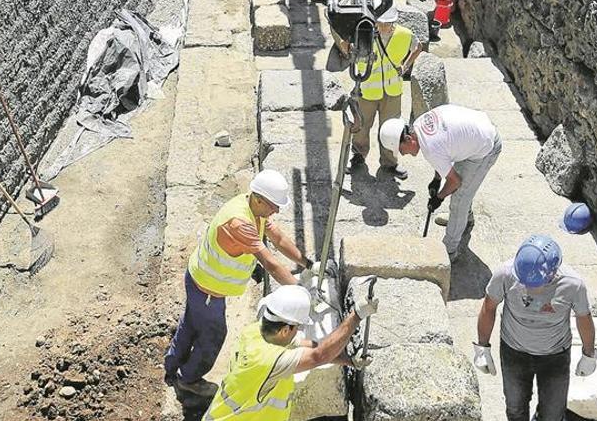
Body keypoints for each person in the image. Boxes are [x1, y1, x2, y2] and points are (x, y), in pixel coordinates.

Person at [164, 169, 315, 400]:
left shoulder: (254, 209)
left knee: (191, 324)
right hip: (208, 290)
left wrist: (307, 263)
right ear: (259, 199)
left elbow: (280, 239)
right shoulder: (240, 223)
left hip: (200, 281)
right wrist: (301, 294)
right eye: (274, 205)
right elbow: (271, 264)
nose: (276, 210)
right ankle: (188, 380)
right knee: (213, 335)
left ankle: (171, 364)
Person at [203, 284, 378, 420]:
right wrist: (356, 315)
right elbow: (319, 356)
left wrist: (349, 361)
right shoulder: (269, 360)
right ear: (285, 330)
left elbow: (313, 348)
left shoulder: (256, 332)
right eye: (298, 327)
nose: (299, 331)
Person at [473, 235, 597, 421]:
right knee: (515, 409)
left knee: (553, 415)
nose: (529, 288)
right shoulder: (505, 274)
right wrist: (482, 347)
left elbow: (583, 318)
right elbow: (489, 307)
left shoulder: (573, 284)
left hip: (555, 357)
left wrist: (589, 355)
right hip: (514, 352)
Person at [379, 104, 501, 260]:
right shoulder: (419, 125)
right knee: (461, 194)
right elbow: (445, 152)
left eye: (401, 150)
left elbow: (455, 181)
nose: (404, 154)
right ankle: (465, 219)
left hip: (486, 147)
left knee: (459, 200)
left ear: (409, 139)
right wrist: (437, 179)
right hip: (476, 134)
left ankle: (449, 251)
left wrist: (439, 197)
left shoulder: (430, 148)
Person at [348, 5, 423, 180]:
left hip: (392, 91)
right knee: (362, 125)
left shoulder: (404, 34)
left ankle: (389, 163)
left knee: (391, 129)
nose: (383, 27)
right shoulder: (364, 34)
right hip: (368, 90)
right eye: (380, 23)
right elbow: (348, 48)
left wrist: (406, 65)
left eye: (387, 23)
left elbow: (418, 47)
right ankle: (358, 157)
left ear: (394, 22)